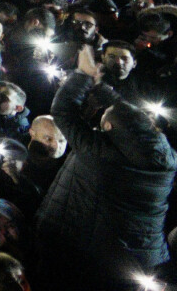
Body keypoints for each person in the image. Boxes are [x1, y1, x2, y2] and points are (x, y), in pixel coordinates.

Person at [35, 45, 177, 289]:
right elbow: (132, 120)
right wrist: (105, 92)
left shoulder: (101, 154)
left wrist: (82, 75)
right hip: (134, 260)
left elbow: (62, 111)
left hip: (84, 255)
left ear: (109, 128)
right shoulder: (164, 157)